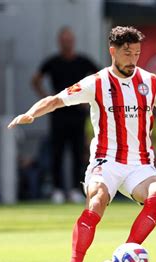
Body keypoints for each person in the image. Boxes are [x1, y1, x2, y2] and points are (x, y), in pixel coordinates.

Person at [8, 26, 156, 262]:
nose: (133, 60)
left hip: (139, 164)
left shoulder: (151, 82)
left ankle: (122, 256)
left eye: (137, 54)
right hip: (106, 160)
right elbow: (57, 99)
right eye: (127, 54)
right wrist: (31, 113)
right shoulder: (96, 82)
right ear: (113, 51)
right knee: (97, 200)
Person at [31, 27, 99, 204]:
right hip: (58, 114)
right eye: (64, 40)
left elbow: (100, 77)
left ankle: (77, 189)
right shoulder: (53, 62)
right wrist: (47, 99)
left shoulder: (83, 61)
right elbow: (35, 79)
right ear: (59, 42)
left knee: (78, 152)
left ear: (73, 42)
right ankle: (58, 189)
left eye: (69, 40)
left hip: (78, 114)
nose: (67, 43)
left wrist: (90, 100)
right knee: (57, 152)